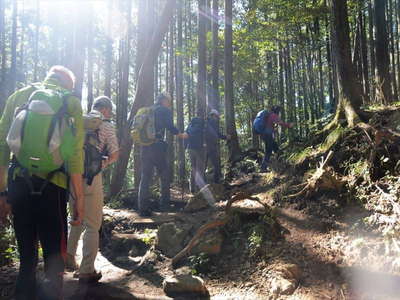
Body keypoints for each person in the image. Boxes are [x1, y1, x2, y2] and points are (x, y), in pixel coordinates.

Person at [0, 66, 84, 300]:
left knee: (26, 256)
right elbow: (75, 156)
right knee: (54, 259)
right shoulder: (71, 103)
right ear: (69, 84)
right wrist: (79, 199)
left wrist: (2, 193)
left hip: (19, 184)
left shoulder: (19, 96)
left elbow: (2, 145)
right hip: (53, 188)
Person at [66, 96, 119, 283]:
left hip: (72, 176)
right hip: (91, 178)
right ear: (105, 109)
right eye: (110, 111)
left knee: (76, 218)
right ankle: (87, 268)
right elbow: (115, 154)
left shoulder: (79, 120)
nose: (110, 114)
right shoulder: (106, 125)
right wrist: (103, 163)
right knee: (92, 224)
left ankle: (69, 258)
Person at [137, 93, 188, 216]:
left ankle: (143, 209)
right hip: (157, 146)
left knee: (145, 177)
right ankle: (164, 206)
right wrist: (180, 134)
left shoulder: (148, 110)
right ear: (164, 101)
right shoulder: (164, 110)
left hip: (144, 146)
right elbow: (170, 126)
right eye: (169, 102)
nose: (169, 104)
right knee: (164, 175)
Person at [260, 105, 292, 172]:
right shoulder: (273, 115)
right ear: (277, 111)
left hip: (264, 135)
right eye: (279, 111)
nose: (279, 112)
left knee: (275, 148)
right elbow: (280, 123)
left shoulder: (269, 115)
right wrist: (288, 125)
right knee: (268, 151)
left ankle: (281, 163)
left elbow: (269, 125)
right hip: (268, 135)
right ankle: (263, 168)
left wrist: (273, 129)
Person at [205, 109, 229, 183]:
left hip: (204, 147)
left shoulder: (206, 122)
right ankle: (217, 181)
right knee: (216, 164)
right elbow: (217, 134)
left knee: (203, 166)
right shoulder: (213, 122)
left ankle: (202, 184)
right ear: (214, 115)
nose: (217, 118)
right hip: (211, 146)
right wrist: (225, 137)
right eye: (217, 116)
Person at [185, 116, 206, 193]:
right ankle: (199, 189)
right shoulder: (202, 126)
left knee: (193, 168)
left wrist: (185, 147)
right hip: (199, 149)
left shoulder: (189, 127)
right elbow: (205, 136)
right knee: (199, 169)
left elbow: (186, 137)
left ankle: (192, 189)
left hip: (190, 148)